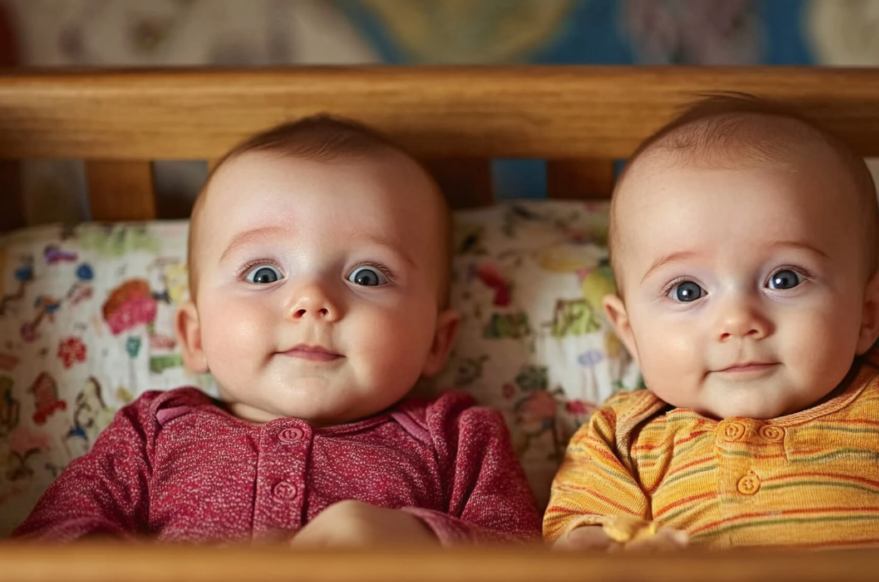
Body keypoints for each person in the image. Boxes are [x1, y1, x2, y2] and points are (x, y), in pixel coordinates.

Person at [15, 114, 540, 545]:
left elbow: (533, 569)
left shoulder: (458, 438)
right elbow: (44, 543)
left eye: (367, 275)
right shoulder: (151, 433)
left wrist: (418, 540)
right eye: (263, 274)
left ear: (436, 341)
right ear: (195, 336)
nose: (312, 300)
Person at [544, 95, 879, 552]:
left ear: (869, 311)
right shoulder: (623, 437)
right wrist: (598, 552)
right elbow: (577, 534)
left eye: (785, 278)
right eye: (686, 291)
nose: (737, 321)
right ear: (629, 331)